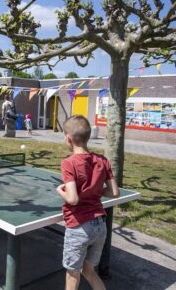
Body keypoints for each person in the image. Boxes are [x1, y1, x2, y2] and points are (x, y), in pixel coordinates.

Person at [56, 115, 119, 290]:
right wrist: (95, 191)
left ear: (68, 138)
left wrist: (60, 191)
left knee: (72, 274)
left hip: (79, 227)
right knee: (89, 271)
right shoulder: (103, 160)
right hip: (100, 226)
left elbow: (73, 199)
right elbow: (114, 192)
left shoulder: (68, 163)